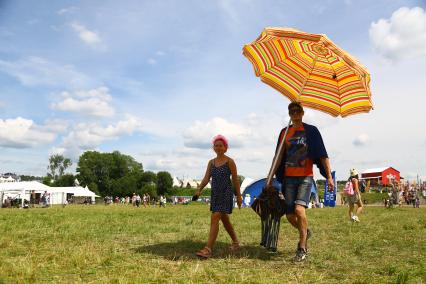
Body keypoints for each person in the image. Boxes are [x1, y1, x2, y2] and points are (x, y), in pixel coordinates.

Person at [267, 102, 333, 262]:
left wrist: (329, 176)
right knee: (289, 215)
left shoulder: (311, 131)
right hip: (289, 178)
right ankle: (305, 231)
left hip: (305, 176)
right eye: (292, 111)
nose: (295, 113)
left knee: (299, 210)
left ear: (302, 113)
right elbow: (278, 157)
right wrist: (269, 177)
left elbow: (323, 154)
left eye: (297, 110)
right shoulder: (284, 133)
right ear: (289, 114)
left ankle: (302, 247)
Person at [194, 134, 243, 259]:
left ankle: (208, 249)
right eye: (216, 146)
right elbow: (206, 178)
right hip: (215, 194)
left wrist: (238, 195)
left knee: (215, 217)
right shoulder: (211, 163)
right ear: (213, 148)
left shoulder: (230, 161)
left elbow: (236, 180)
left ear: (225, 147)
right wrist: (199, 189)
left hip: (226, 193)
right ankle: (236, 243)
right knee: (224, 219)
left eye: (221, 145)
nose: (218, 148)